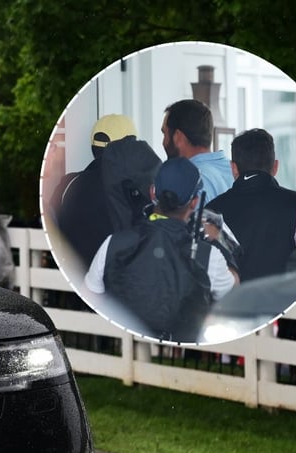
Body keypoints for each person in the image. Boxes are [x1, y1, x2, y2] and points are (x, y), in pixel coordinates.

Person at [84, 158, 237, 341]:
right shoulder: (209, 256)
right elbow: (232, 288)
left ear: (152, 192)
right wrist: (219, 241)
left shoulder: (113, 244)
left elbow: (91, 296)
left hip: (123, 347)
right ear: (195, 202)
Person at [206, 128, 296, 282]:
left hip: (230, 303)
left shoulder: (211, 210)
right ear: (275, 166)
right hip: (283, 301)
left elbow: (208, 269)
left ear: (233, 168)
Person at [52, 114, 161, 272]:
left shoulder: (67, 184)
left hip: (72, 279)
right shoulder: (135, 189)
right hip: (116, 285)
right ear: (129, 146)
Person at [162, 99, 232, 205]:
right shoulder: (234, 170)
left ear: (178, 137)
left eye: (165, 134)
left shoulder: (190, 183)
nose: (163, 142)